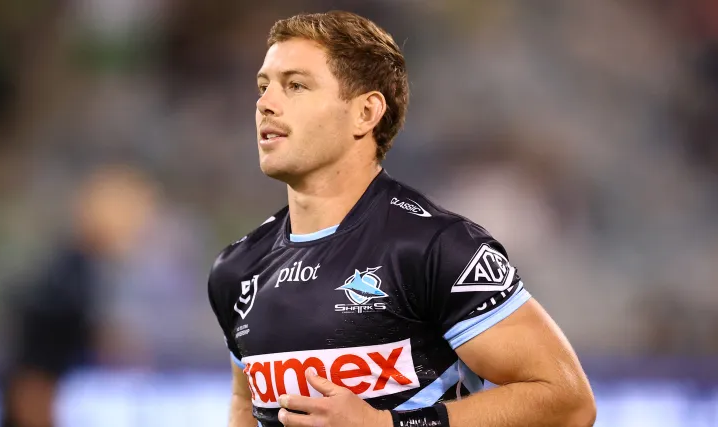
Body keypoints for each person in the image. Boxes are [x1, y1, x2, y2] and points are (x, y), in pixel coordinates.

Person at [207, 10, 596, 427]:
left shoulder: (436, 248)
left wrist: (387, 425)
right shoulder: (238, 268)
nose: (264, 104)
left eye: (296, 85)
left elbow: (568, 401)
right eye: (263, 87)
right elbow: (245, 402)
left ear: (366, 112)